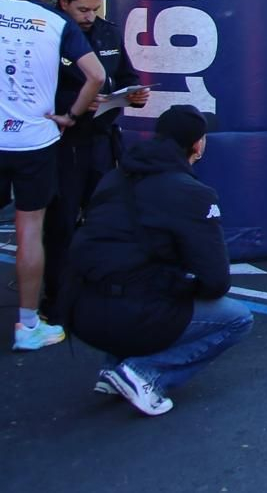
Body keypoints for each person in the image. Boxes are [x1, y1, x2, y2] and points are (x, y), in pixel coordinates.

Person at [65, 105, 251, 416]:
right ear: (197, 144)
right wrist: (181, 289)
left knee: (130, 272)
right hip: (130, 315)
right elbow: (216, 281)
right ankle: (144, 373)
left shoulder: (115, 176)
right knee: (236, 319)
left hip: (77, 311)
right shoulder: (192, 193)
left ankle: (114, 368)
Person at [3, 0, 105, 351]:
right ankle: (28, 326)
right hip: (34, 140)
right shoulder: (57, 22)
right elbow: (96, 76)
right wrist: (72, 116)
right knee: (29, 231)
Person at [42, 0, 147, 322]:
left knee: (104, 218)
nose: (89, 17)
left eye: (94, 9)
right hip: (64, 142)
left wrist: (134, 95)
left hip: (103, 140)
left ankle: (99, 289)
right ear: (64, 3)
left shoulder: (108, 32)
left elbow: (127, 76)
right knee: (61, 222)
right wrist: (76, 101)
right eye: (82, 10)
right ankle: (57, 298)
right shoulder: (52, 34)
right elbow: (39, 88)